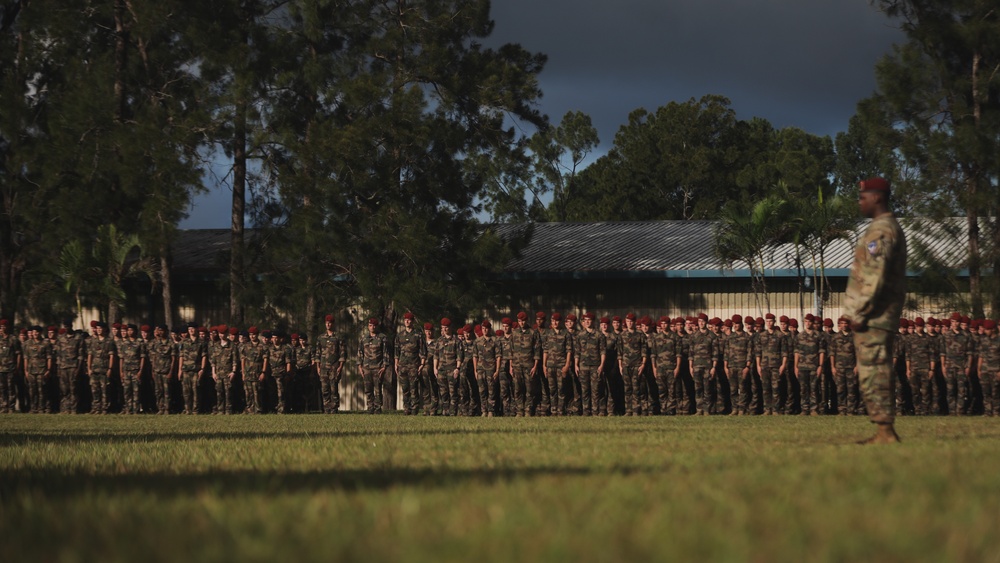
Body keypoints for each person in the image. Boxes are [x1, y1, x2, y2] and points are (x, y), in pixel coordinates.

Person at [843, 177, 907, 444]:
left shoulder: (881, 231)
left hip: (875, 315)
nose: (859, 203)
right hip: (877, 314)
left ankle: (885, 431)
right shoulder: (882, 228)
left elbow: (874, 276)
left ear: (877, 198)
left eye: (862, 197)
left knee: (874, 371)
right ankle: (883, 429)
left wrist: (860, 312)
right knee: (874, 369)